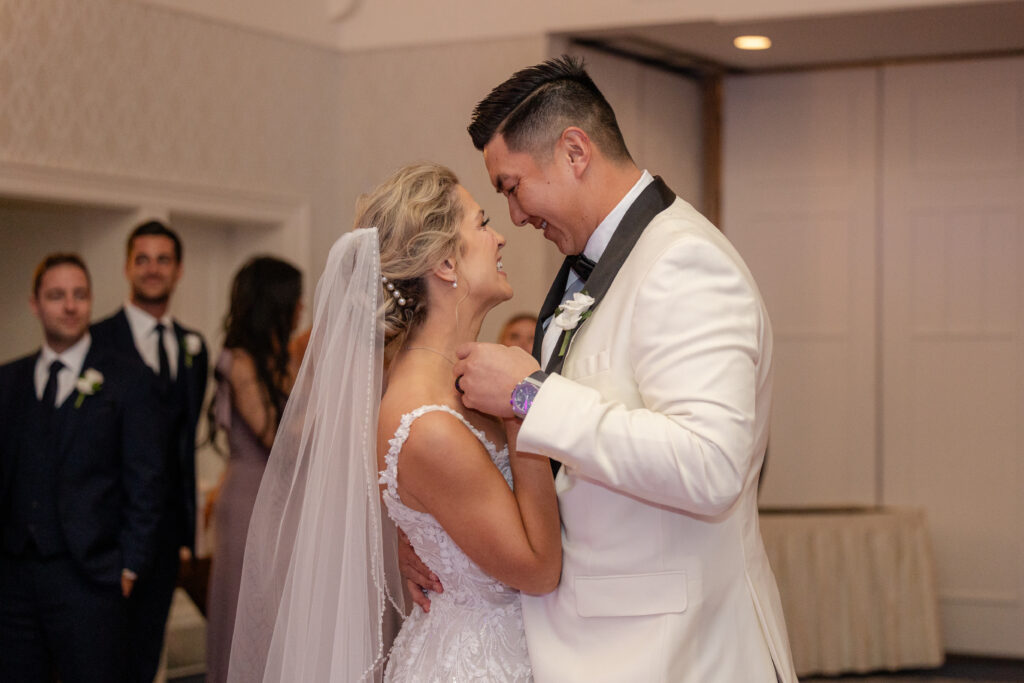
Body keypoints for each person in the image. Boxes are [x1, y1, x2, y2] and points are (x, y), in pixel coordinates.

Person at [430, 55, 796, 682]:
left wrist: (528, 396)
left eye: (513, 187)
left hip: (679, 653)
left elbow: (712, 465)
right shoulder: (606, 264)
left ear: (575, 151)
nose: (515, 217)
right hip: (607, 640)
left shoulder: (684, 263)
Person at [226, 162, 560, 682]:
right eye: (481, 222)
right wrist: (525, 408)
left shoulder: (460, 380)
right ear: (446, 263)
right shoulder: (425, 423)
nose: (500, 238)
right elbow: (538, 569)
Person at [0, 254, 165, 682]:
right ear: (35, 304)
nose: (70, 306)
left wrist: (130, 566)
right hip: (13, 579)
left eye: (80, 295)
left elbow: (146, 478)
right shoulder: (7, 382)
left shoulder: (126, 378)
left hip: (91, 578)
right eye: (57, 296)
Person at [90, 220, 209, 682]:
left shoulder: (192, 346)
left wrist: (186, 532)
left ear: (178, 270)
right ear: (126, 267)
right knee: (100, 657)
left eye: (163, 260)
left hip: (167, 533)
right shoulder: (97, 342)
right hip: (108, 531)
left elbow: (182, 442)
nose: (153, 269)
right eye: (143, 259)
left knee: (146, 653)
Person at [204, 256, 303, 683]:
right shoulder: (238, 361)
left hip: (283, 498)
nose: (301, 309)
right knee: (250, 609)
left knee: (282, 610)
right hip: (250, 499)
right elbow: (275, 435)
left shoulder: (285, 356)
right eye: (295, 300)